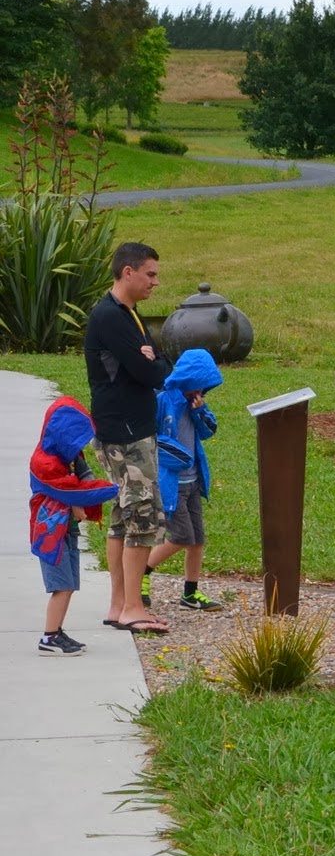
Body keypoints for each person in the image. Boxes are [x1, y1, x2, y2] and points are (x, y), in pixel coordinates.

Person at [83, 241, 172, 634]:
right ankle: (133, 607)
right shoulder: (110, 317)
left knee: (123, 517)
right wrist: (153, 359)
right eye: (150, 274)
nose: (156, 281)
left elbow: (158, 361)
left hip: (130, 428)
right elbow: (151, 372)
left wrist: (154, 358)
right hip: (125, 432)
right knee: (141, 516)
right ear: (128, 272)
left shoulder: (128, 313)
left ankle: (120, 605)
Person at [28, 396, 119, 655]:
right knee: (62, 586)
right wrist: (116, 488)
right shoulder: (44, 463)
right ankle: (48, 638)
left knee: (70, 584)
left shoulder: (67, 452)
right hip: (50, 534)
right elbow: (73, 491)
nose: (77, 446)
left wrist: (82, 490)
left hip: (67, 529)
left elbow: (83, 474)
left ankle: (57, 631)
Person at [141, 348, 225, 612]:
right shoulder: (165, 399)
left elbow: (209, 431)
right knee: (181, 536)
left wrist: (200, 411)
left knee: (197, 539)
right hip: (172, 484)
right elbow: (152, 438)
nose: (199, 391)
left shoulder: (195, 404)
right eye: (197, 385)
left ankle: (190, 592)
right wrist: (179, 457)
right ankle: (142, 572)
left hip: (193, 481)